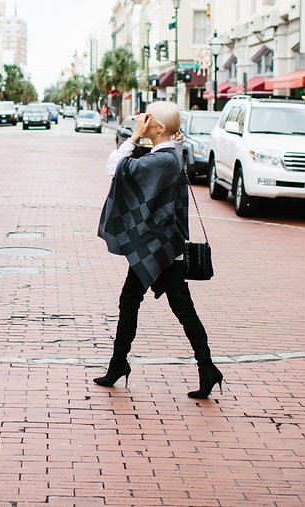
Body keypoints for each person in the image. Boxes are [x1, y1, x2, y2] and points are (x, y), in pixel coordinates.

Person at [95, 100, 222, 399]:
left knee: (164, 307)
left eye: (147, 117)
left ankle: (121, 365)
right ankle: (203, 368)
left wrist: (133, 136)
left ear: (159, 128)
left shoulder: (163, 160)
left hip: (160, 250)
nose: (142, 118)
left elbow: (115, 167)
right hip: (159, 247)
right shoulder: (165, 156)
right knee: (153, 304)